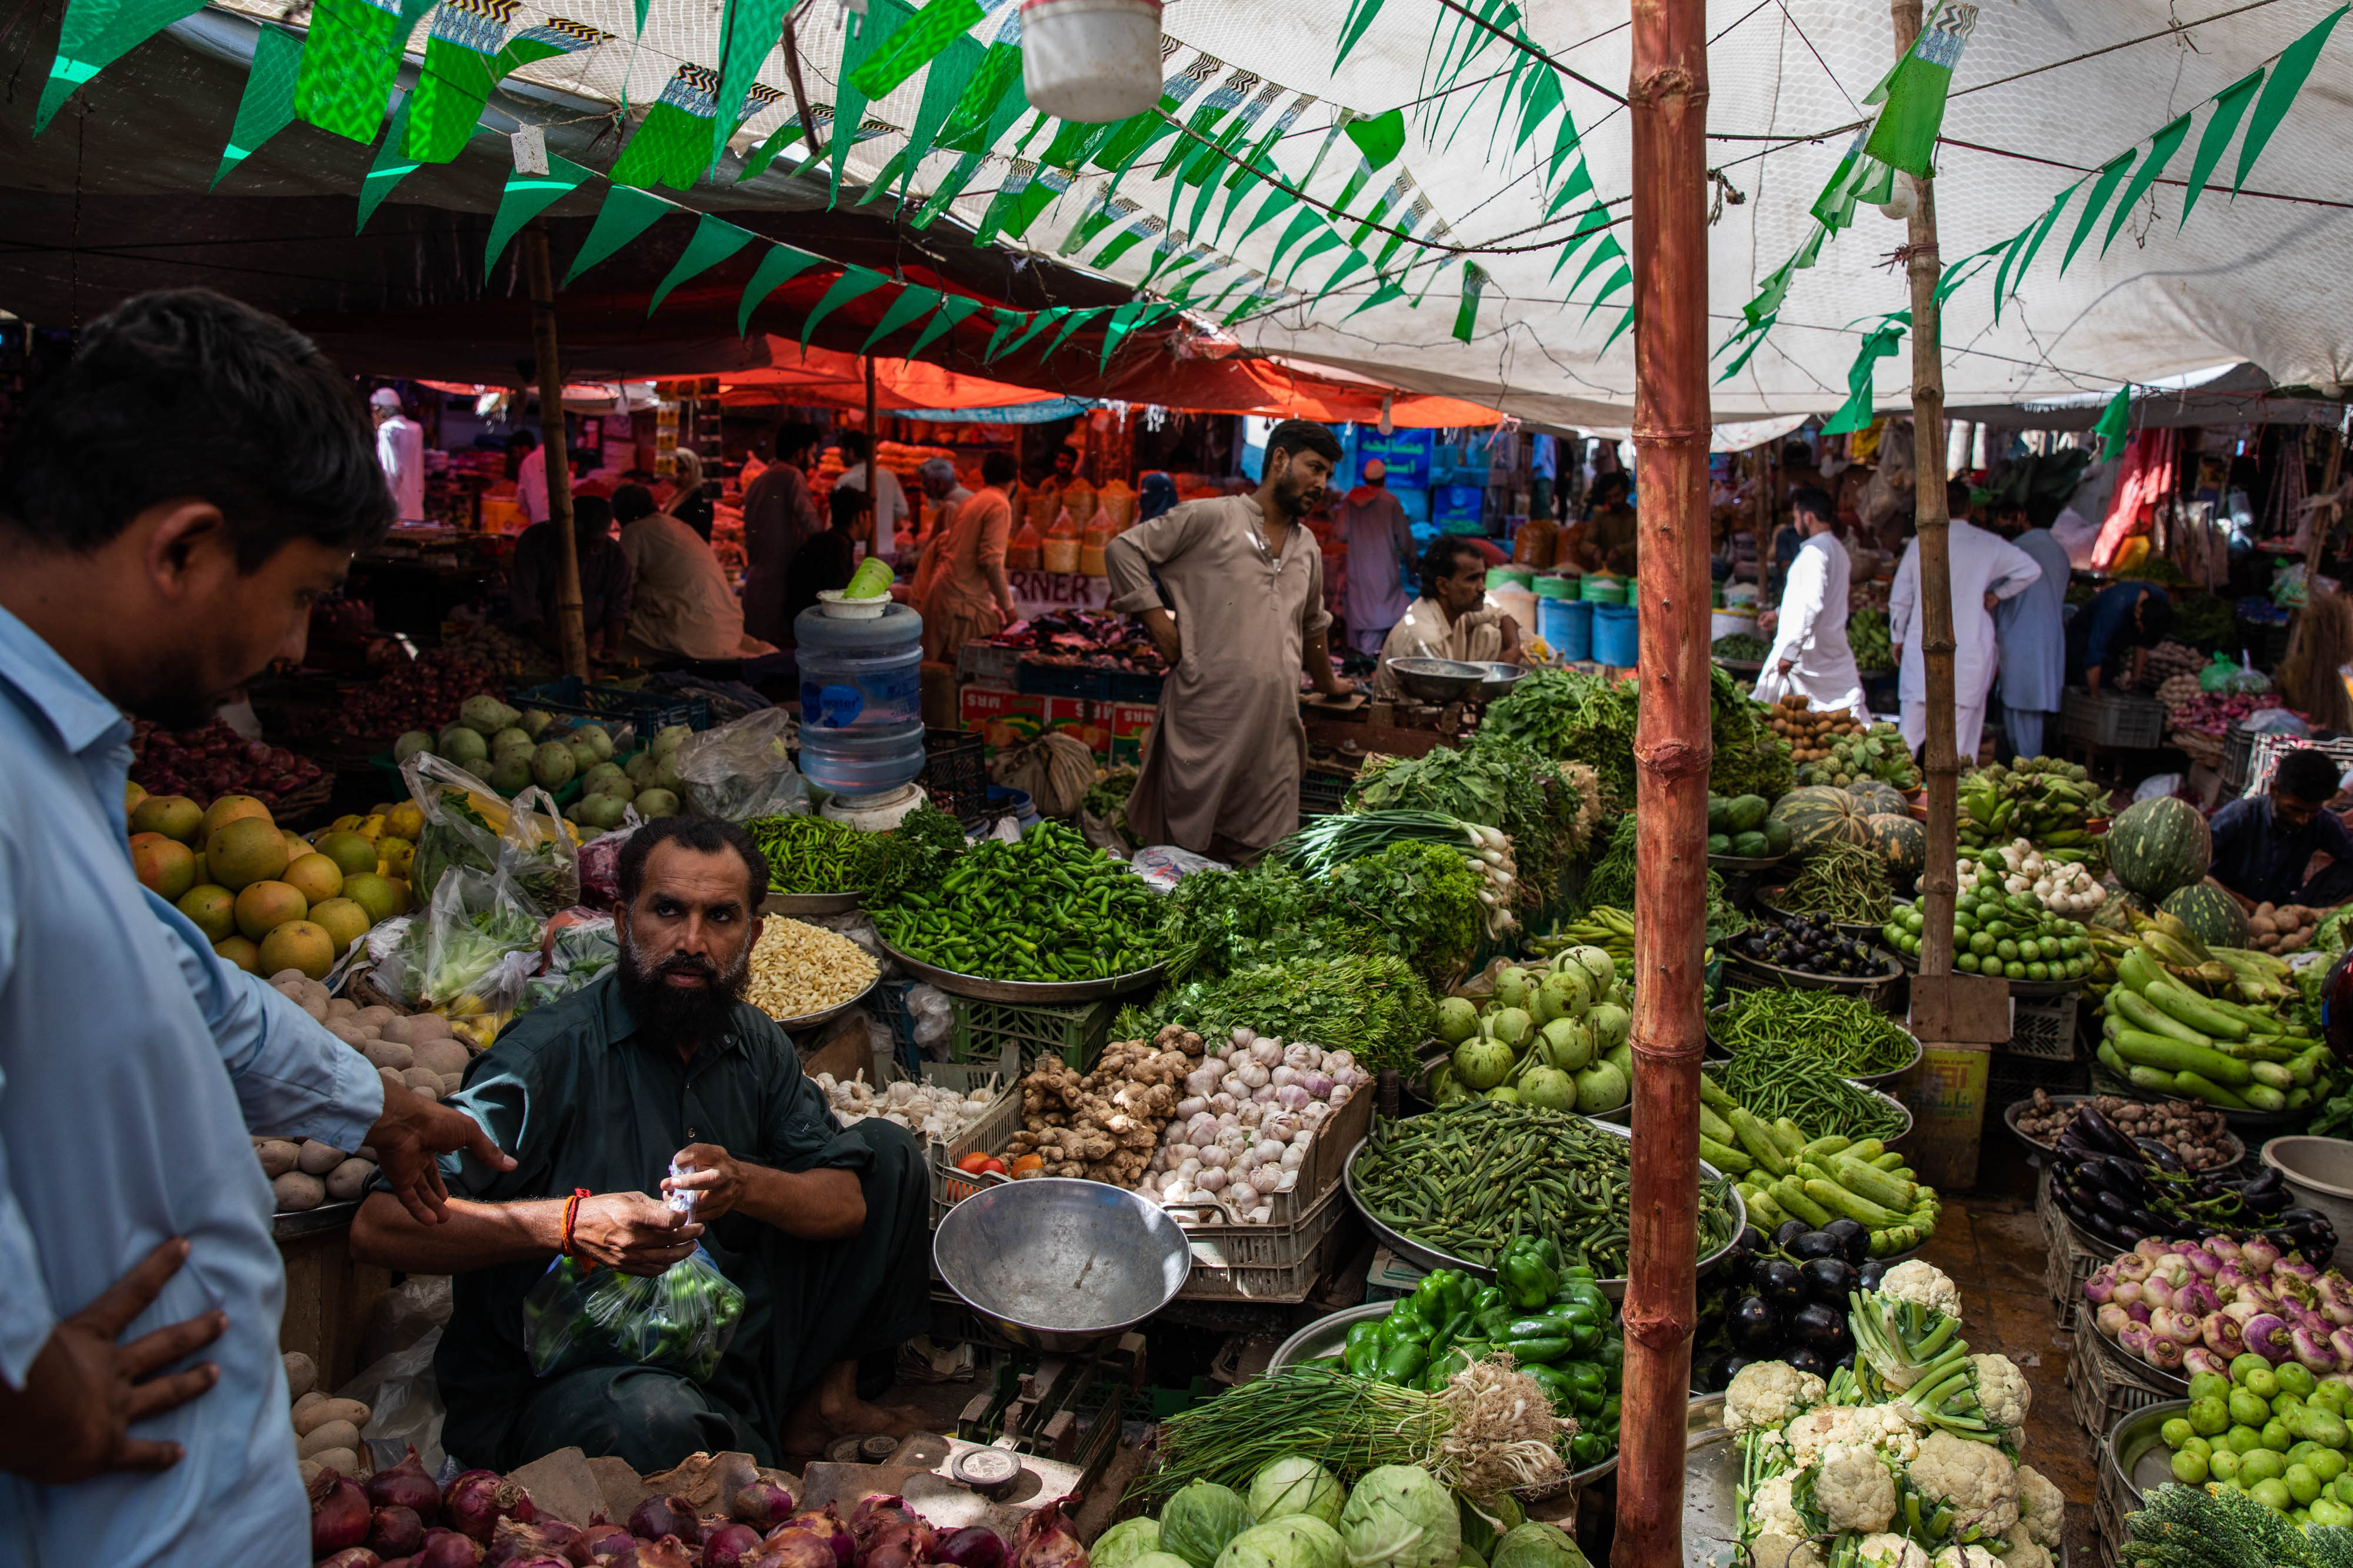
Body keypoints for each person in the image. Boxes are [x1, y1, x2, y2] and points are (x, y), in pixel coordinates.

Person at [0, 289, 508, 1564]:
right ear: (184, 548)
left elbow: (180, 974)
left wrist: (365, 1101)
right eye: (299, 596)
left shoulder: (58, 754)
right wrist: (20, 1374)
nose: (295, 647)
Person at [351, 815, 929, 1471]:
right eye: (667, 911)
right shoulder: (546, 1057)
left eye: (720, 917)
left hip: (724, 1350)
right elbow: (378, 1227)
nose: (692, 941)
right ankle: (721, 1450)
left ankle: (820, 1408)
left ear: (754, 934)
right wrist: (567, 1224)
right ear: (624, 922)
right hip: (573, 1378)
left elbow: (848, 1203)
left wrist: (744, 1183)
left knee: (886, 1153)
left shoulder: (755, 1042)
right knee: (655, 1418)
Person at [1105, 419, 1355, 860]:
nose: (1321, 483)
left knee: (1259, 863)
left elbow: (1313, 625)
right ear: (1280, 459)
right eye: (1314, 468)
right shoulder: (1211, 517)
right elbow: (1123, 550)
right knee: (1180, 861)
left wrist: (1329, 685)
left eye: (1327, 475)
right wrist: (1158, 622)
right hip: (1206, 722)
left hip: (1275, 732)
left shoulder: (1308, 547)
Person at [1889, 487, 2044, 762]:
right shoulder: (1988, 543)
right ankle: (1954, 802)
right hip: (1969, 652)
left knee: (1907, 742)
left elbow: (1900, 598)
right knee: (1959, 746)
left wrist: (1897, 637)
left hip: (1922, 648)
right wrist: (1998, 595)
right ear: (1970, 510)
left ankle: (1896, 799)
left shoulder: (1921, 542)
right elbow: (2031, 569)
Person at [619, 488, 775, 664]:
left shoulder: (634, 531)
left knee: (613, 631)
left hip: (695, 635)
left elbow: (621, 586)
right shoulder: (678, 526)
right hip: (728, 629)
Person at [1755, 485, 1864, 719]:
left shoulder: (1814, 554)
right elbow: (1812, 600)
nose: (1795, 524)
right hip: (1828, 651)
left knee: (1774, 717)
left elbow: (1810, 605)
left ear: (1808, 517)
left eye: (1795, 518)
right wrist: (1779, 613)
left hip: (1808, 654)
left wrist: (1790, 651)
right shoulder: (1837, 550)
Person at [1373, 535, 1524, 698]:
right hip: (1411, 715)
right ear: (1443, 586)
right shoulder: (1427, 638)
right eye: (1472, 579)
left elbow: (1501, 614)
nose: (1482, 587)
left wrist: (1513, 650)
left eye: (1482, 577)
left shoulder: (1457, 610)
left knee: (1489, 632)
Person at [2207, 747, 2353, 910]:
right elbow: (2196, 870)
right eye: (2295, 809)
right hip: (2225, 904)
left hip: (2287, 909)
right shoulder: (2239, 816)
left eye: (2312, 812)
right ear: (2274, 791)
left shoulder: (2323, 821)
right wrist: (2247, 905)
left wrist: (2329, 912)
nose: (2303, 820)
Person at [916, 452, 1015, 663]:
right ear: (1016, 477)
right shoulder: (999, 505)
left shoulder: (973, 500)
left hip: (945, 595)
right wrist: (1009, 608)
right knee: (957, 675)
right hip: (961, 608)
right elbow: (990, 561)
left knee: (935, 674)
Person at [1991, 501, 2071, 759]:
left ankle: (2029, 771)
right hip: (2049, 638)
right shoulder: (2060, 553)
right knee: (2029, 708)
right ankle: (2027, 764)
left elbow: (1993, 592)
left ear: (2023, 515)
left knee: (2021, 709)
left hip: (2020, 637)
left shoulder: (2018, 548)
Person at [510, 495, 633, 660]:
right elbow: (525, 601)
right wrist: (547, 641)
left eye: (596, 545)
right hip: (534, 644)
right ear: (566, 529)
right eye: (583, 544)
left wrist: (611, 648)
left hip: (587, 644)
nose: (590, 552)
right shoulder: (535, 543)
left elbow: (618, 608)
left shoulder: (615, 556)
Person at [741, 423, 824, 646]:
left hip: (756, 583)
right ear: (800, 453)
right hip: (780, 585)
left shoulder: (758, 481)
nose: (813, 461)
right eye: (812, 454)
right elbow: (813, 527)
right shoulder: (792, 476)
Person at [1335, 457, 1417, 658]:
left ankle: (1365, 657)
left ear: (1364, 478)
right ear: (1384, 479)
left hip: (1359, 570)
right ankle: (1368, 661)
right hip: (1385, 572)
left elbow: (1341, 533)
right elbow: (1406, 540)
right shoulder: (1391, 503)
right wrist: (1413, 562)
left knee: (1364, 617)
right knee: (1383, 615)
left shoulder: (1351, 502)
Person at [2071, 579, 2172, 691]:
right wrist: (2095, 697)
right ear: (2138, 613)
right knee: (2083, 683)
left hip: (2114, 643)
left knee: (2108, 680)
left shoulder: (2159, 600)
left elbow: (2143, 641)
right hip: (2083, 639)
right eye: (2139, 626)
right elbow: (2094, 655)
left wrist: (2136, 679)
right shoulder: (2115, 607)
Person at [782, 489, 865, 626]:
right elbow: (838, 602)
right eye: (871, 517)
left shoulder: (831, 541)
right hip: (814, 628)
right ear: (861, 516)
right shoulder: (837, 547)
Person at [832, 431, 909, 564]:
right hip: (886, 551)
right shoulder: (889, 477)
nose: (840, 455)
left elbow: (835, 521)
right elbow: (902, 510)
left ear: (851, 451)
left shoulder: (844, 481)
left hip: (855, 552)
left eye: (842, 450)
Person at [1561, 472, 1637, 575]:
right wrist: (1594, 550)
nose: (1613, 501)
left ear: (1627, 492)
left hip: (1631, 576)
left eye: (1617, 496)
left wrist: (1619, 551)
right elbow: (1584, 543)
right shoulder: (1600, 517)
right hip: (1604, 575)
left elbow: (1639, 544)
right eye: (1609, 497)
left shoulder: (1636, 517)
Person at [371, 387, 425, 522]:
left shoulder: (387, 429)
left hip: (395, 509)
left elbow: (391, 471)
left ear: (380, 411)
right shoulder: (415, 429)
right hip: (415, 507)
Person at [661, 449, 716, 544]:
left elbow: (697, 534)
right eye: (673, 470)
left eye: (682, 470)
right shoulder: (680, 494)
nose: (676, 476)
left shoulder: (699, 498)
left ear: (693, 469)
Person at [518, 435, 550, 526]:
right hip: (557, 520)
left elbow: (521, 494)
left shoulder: (528, 460)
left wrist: (529, 513)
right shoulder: (558, 459)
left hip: (536, 520)